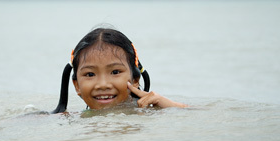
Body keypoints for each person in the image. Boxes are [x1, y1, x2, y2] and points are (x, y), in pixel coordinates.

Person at [52, 27, 187, 113]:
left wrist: (172, 107)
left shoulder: (151, 115)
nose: (103, 84)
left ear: (135, 79)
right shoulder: (68, 119)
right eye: (90, 74)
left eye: (115, 72)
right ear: (77, 85)